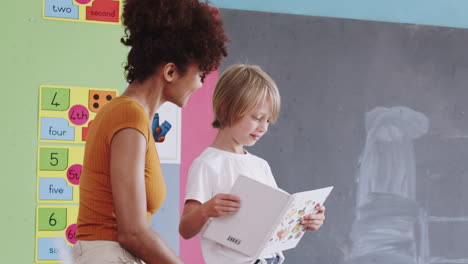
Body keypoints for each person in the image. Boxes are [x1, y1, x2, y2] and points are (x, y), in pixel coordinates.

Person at [72, 0, 228, 263]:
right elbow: (133, 232)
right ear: (170, 71)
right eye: (200, 74)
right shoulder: (128, 115)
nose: (201, 85)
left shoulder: (132, 117)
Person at [179, 64, 326, 264]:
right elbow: (185, 229)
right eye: (257, 118)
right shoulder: (208, 164)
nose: (263, 128)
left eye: (268, 121)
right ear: (225, 108)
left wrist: (303, 220)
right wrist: (206, 210)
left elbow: (275, 219)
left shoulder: (261, 165)